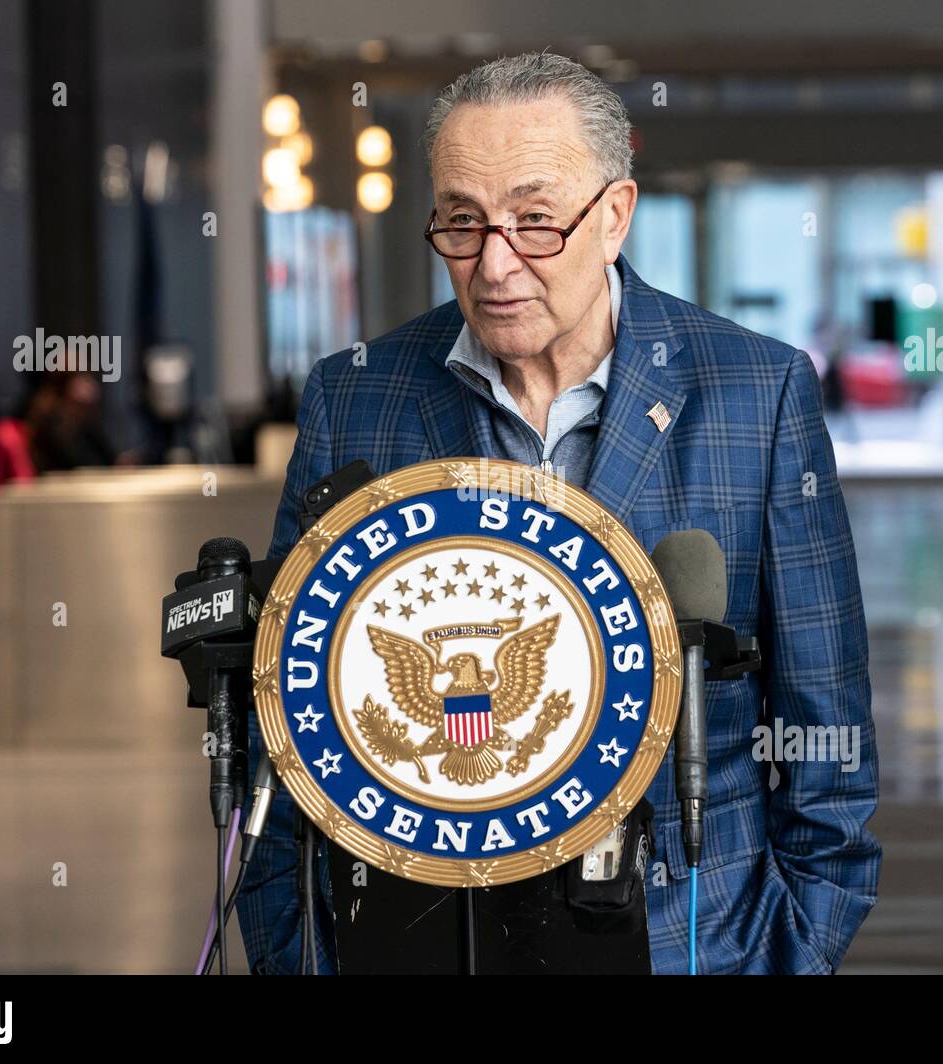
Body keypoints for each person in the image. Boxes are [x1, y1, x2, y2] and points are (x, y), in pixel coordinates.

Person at [238, 49, 880, 975]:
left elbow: (830, 742)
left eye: (536, 222)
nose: (495, 264)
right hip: (414, 947)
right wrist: (301, 956)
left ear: (614, 215)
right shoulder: (357, 398)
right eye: (462, 223)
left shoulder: (757, 392)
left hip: (692, 944)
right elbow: (282, 727)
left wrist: (798, 949)